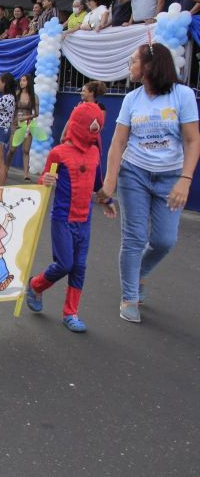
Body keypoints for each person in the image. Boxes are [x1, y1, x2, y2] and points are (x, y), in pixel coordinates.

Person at [98, 43, 199, 323]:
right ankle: (130, 295)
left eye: (133, 61)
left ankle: (139, 272)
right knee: (134, 238)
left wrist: (185, 180)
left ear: (150, 66)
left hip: (171, 176)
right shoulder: (132, 99)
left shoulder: (183, 95)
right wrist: (109, 184)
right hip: (135, 174)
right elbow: (118, 143)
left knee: (165, 240)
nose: (129, 66)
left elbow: (192, 140)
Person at [25, 102, 117, 332]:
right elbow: (46, 178)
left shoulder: (95, 152)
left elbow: (97, 182)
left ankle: (70, 313)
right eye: (91, 125)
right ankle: (35, 285)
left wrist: (106, 200)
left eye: (98, 126)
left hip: (84, 220)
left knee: (79, 267)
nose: (95, 130)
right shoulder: (59, 152)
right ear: (78, 125)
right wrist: (44, 179)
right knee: (65, 264)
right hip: (63, 219)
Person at [7, 74, 38, 181]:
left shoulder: (34, 96)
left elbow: (36, 113)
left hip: (27, 124)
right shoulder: (16, 94)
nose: (21, 82)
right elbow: (11, 110)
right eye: (21, 80)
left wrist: (26, 117)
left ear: (28, 82)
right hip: (15, 124)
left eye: (24, 80)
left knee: (26, 150)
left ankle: (26, 174)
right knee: (12, 149)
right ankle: (5, 168)